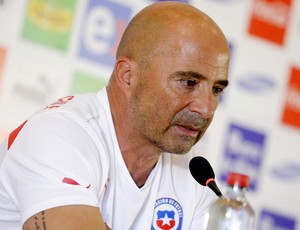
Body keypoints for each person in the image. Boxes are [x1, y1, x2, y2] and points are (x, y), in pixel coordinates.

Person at [0, 1, 230, 229]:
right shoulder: (57, 134)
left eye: (216, 90)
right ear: (127, 76)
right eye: (189, 82)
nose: (206, 109)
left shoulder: (197, 179)